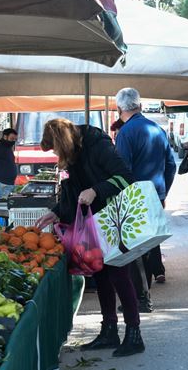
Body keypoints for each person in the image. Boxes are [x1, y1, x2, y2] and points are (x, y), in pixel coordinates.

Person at [34, 119, 144, 357]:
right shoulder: (74, 154)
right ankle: (109, 330)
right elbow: (73, 190)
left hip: (114, 218)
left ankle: (134, 333)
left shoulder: (98, 144)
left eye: (55, 149)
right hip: (95, 222)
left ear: (64, 142)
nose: (55, 154)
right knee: (101, 272)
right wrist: (55, 212)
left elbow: (126, 178)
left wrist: (96, 191)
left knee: (118, 272)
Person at [114, 88, 176, 310]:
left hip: (135, 198)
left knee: (134, 250)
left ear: (119, 108)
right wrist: (163, 193)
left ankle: (141, 299)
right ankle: (143, 296)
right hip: (155, 196)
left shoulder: (125, 134)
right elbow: (171, 165)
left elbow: (122, 172)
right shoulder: (158, 129)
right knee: (149, 247)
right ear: (139, 106)